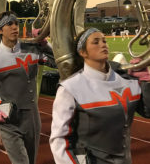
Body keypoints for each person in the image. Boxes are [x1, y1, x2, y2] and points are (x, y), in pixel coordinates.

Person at [50, 28, 150, 164]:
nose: (103, 44)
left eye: (104, 41)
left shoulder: (125, 80)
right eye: (95, 42)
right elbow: (58, 139)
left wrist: (146, 82)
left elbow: (147, 111)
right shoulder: (70, 88)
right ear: (82, 52)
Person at [0, 11, 56, 164]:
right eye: (9, 24)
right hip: (8, 121)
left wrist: (45, 44)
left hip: (32, 117)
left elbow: (57, 63)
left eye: (16, 24)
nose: (14, 27)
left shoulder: (31, 49)